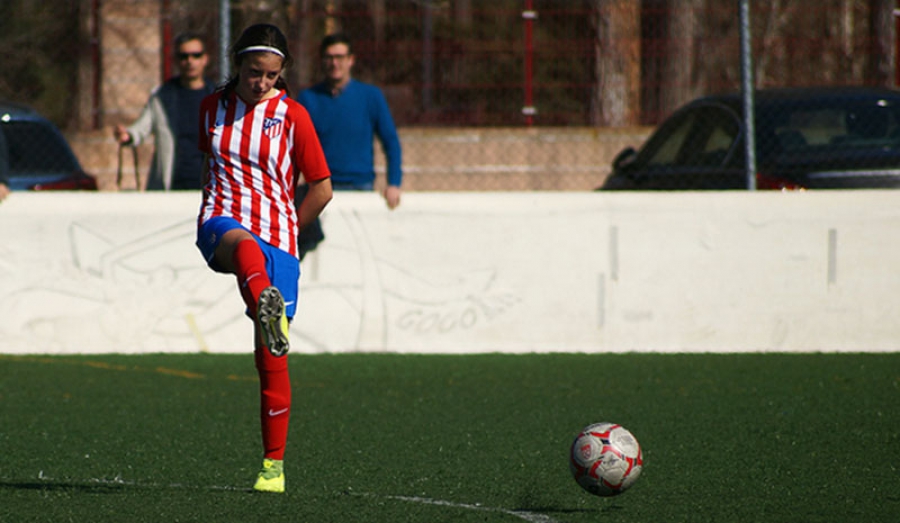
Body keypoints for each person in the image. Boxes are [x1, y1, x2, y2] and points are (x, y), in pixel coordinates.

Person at [195, 23, 332, 493]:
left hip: (279, 239)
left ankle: (272, 467)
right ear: (237, 64)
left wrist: (291, 226)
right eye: (254, 73)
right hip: (222, 222)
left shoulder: (293, 116)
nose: (261, 83)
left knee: (271, 357)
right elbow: (209, 166)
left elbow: (322, 187)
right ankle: (264, 299)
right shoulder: (211, 108)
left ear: (282, 73)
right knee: (242, 242)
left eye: (271, 75)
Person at [298, 32, 403, 209]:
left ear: (351, 60)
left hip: (361, 186)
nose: (334, 63)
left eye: (339, 57)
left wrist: (393, 183)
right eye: (329, 57)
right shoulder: (308, 98)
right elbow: (293, 147)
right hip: (320, 188)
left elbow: (391, 142)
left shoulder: (371, 97)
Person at [114, 32, 215, 190]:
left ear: (205, 59)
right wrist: (128, 135)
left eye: (196, 55)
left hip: (210, 188)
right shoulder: (162, 96)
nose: (190, 61)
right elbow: (142, 127)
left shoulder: (218, 98)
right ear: (176, 60)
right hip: (171, 187)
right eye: (184, 56)